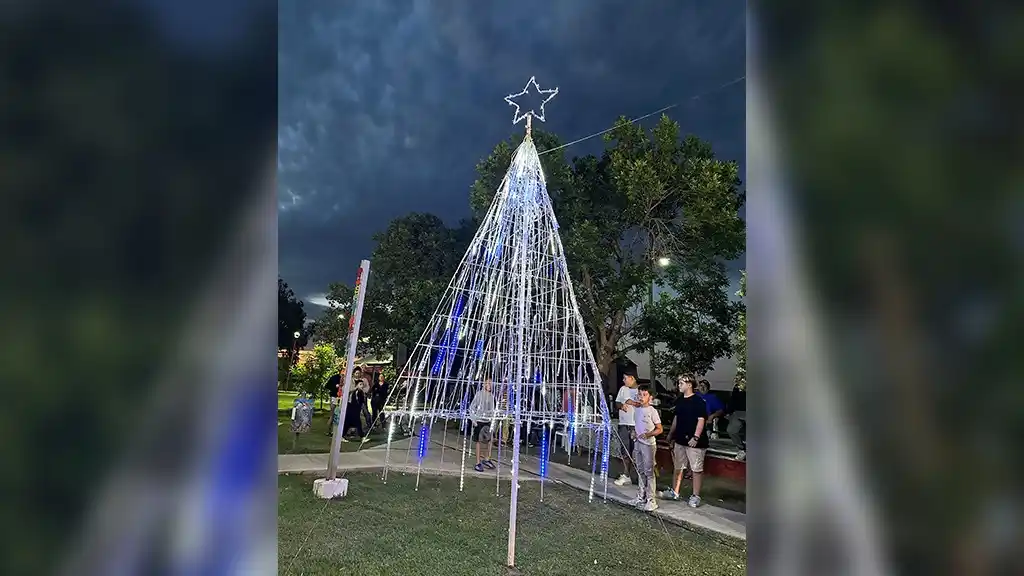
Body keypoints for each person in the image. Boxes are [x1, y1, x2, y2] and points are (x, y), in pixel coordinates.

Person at [660, 374, 708, 507]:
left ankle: (695, 495)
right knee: (678, 467)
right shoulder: (680, 400)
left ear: (690, 384)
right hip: (680, 439)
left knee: (696, 469)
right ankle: (675, 491)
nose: (679, 385)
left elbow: (701, 420)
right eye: (679, 382)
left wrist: (696, 437)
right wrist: (670, 434)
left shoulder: (698, 401)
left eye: (682, 383)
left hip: (695, 441)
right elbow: (677, 418)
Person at [629, 384, 663, 512]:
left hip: (648, 444)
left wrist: (648, 434)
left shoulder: (652, 411)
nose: (641, 397)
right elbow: (636, 426)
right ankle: (641, 496)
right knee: (640, 470)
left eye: (645, 395)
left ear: (650, 397)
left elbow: (659, 429)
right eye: (640, 394)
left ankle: (651, 499)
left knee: (649, 471)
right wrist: (634, 433)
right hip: (638, 443)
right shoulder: (637, 410)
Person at [613, 368, 640, 486]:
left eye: (625, 378)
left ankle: (641, 476)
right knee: (625, 450)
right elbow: (617, 402)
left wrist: (632, 403)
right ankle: (626, 474)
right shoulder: (623, 389)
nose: (623, 380)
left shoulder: (640, 391)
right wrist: (621, 406)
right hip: (624, 424)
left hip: (636, 425)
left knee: (638, 452)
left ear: (632, 378)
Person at [467, 377, 497, 471]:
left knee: (490, 440)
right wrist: (474, 419)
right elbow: (472, 407)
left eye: (491, 384)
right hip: (479, 420)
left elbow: (493, 410)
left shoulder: (492, 396)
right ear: (483, 384)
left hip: (487, 421)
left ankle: (487, 458)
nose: (490, 385)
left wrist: (493, 421)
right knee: (479, 441)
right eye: (488, 383)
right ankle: (478, 462)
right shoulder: (479, 394)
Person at [725, 374, 747, 460]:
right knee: (731, 430)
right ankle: (741, 449)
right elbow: (733, 400)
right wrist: (728, 412)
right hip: (738, 412)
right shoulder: (737, 387)